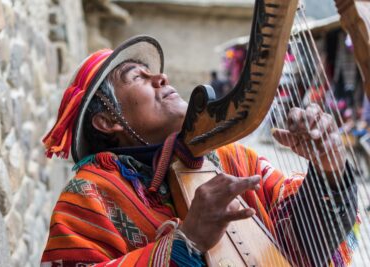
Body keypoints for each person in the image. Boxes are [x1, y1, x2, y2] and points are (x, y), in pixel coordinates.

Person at [41, 36, 358, 267]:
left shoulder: (230, 158)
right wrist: (185, 243)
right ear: (108, 121)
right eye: (138, 76)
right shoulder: (88, 194)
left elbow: (306, 246)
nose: (161, 77)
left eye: (153, 71)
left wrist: (327, 171)